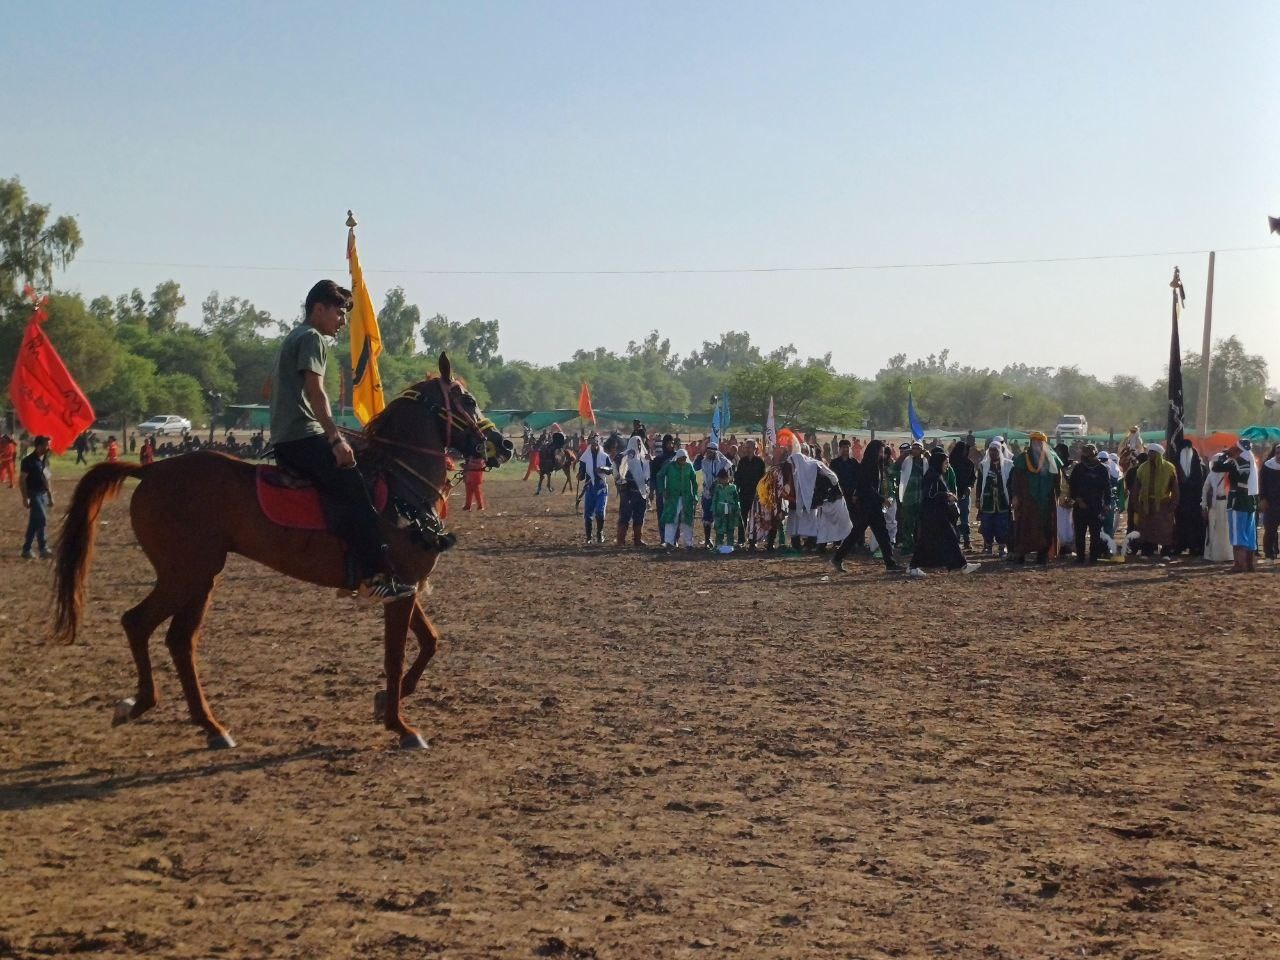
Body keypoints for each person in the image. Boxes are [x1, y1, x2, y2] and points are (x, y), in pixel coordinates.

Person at [270, 279, 415, 602]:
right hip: (302, 437)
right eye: (338, 312)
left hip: (289, 436)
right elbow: (315, 391)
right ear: (318, 309)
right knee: (358, 493)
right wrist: (335, 440)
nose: (343, 321)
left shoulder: (294, 336)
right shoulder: (312, 338)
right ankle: (372, 577)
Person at [908, 449, 980, 578]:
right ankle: (962, 566)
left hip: (937, 514)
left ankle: (913, 567)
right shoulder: (932, 476)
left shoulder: (936, 475)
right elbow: (929, 495)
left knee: (927, 541)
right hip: (933, 515)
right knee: (950, 537)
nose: (947, 466)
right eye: (945, 463)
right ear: (938, 463)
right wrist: (946, 495)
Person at [831, 438, 898, 573]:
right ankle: (837, 558)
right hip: (867, 506)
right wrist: (881, 500)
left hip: (873, 506)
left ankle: (890, 563)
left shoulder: (877, 466)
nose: (882, 454)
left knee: (881, 534)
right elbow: (867, 487)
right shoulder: (868, 466)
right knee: (857, 534)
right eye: (880, 451)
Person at [1008, 431, 1060, 564]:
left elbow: (1058, 480)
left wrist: (1058, 495)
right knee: (1024, 526)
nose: (1037, 444)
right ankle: (1020, 555)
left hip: (1046, 500)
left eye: (1039, 442)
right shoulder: (1023, 458)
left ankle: (1042, 555)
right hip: (1027, 499)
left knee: (1045, 527)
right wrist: (1015, 496)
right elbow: (1015, 479)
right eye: (1034, 441)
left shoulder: (1052, 457)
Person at [1211, 439, 1258, 573]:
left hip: (1237, 500)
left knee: (1237, 533)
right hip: (1250, 499)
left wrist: (1225, 456)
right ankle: (1250, 565)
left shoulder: (1236, 462)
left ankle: (1239, 565)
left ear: (1238, 450)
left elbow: (1215, 467)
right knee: (1249, 534)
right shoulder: (1251, 462)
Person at [1131, 443, 1178, 557]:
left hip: (1163, 504)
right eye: (1149, 452)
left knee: (1165, 529)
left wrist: (1173, 504)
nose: (1149, 454)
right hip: (1147, 504)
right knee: (1146, 528)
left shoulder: (1169, 468)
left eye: (1152, 452)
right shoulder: (1142, 468)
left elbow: (1175, 488)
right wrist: (1136, 504)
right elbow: (1136, 488)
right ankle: (1147, 551)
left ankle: (1165, 552)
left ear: (1158, 455)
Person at [1068, 444, 1111, 564]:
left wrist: (1107, 504)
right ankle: (1080, 557)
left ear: (1094, 455)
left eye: (1088, 455)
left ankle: (1093, 558)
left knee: (1095, 534)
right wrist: (1078, 500)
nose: (1085, 457)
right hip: (1080, 506)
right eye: (1084, 454)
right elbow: (1072, 486)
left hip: (1096, 505)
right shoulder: (1078, 468)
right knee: (1080, 533)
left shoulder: (1102, 469)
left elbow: (1107, 489)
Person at [975, 439, 1013, 557]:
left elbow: (1011, 484)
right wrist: (977, 499)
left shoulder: (1008, 465)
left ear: (999, 451)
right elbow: (980, 483)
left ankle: (1002, 547)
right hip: (988, 500)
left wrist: (1012, 497)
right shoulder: (983, 465)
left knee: (1002, 525)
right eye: (990, 450)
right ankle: (988, 546)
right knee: (987, 524)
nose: (992, 453)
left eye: (995, 451)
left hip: (1003, 500)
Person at [19, 435, 54, 560]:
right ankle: (42, 548)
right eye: (47, 445)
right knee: (42, 519)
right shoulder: (28, 461)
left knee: (36, 522)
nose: (49, 447)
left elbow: (47, 478)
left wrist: (50, 496)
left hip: (43, 495)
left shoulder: (45, 460)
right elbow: (22, 480)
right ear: (39, 446)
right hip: (33, 494)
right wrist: (25, 497)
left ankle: (27, 549)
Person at [1171, 437, 1207, 556]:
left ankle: (1195, 547)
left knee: (1195, 523)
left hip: (1195, 500)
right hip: (1182, 500)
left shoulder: (1198, 464)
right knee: (1182, 523)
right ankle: (1181, 545)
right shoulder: (1177, 462)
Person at [694, 440, 733, 549]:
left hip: (721, 494)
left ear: (715, 452)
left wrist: (717, 483)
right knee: (707, 517)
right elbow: (696, 467)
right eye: (707, 452)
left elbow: (728, 475)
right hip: (707, 494)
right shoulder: (703, 461)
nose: (709, 454)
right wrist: (701, 454)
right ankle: (707, 540)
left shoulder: (724, 462)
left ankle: (720, 541)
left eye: (711, 452)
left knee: (721, 516)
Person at [577, 434, 612, 545]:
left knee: (600, 512)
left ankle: (600, 533)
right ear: (590, 444)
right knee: (588, 514)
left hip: (601, 487)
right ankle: (588, 536)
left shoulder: (604, 456)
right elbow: (582, 474)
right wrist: (580, 475)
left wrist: (603, 468)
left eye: (596, 443)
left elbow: (610, 470)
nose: (594, 446)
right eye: (592, 443)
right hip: (590, 487)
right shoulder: (584, 457)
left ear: (598, 443)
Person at [659, 448, 698, 549]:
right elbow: (660, 475)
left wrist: (695, 495)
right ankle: (669, 542)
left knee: (687, 520)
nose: (683, 461)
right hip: (672, 497)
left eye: (684, 458)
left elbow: (694, 481)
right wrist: (663, 490)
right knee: (671, 519)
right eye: (681, 458)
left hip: (686, 498)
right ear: (677, 458)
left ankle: (688, 543)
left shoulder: (689, 467)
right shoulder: (669, 466)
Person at [616, 435, 650, 546]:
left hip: (641, 492)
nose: (639, 446)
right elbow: (619, 470)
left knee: (639, 515)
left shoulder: (643, 458)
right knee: (625, 516)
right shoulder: (626, 457)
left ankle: (637, 539)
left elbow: (647, 475)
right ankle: (621, 540)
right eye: (637, 443)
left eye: (640, 443)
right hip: (629, 492)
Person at [733, 440, 767, 549]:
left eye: (749, 447)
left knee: (755, 518)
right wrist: (736, 490)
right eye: (746, 447)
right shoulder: (742, 461)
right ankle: (741, 540)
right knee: (742, 517)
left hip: (755, 495)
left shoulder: (759, 462)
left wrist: (760, 493)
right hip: (743, 493)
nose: (747, 449)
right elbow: (738, 477)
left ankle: (753, 541)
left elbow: (763, 479)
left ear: (754, 448)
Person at [1201, 450, 1233, 562]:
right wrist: (1203, 505)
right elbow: (1205, 490)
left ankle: (1227, 555)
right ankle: (1211, 555)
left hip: (1226, 505)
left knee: (1226, 529)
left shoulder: (1229, 474)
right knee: (1212, 530)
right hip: (1214, 505)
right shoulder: (1211, 474)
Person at [895, 442, 926, 554]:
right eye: (913, 448)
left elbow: (935, 470)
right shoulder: (906, 461)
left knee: (921, 524)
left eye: (918, 448)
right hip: (908, 498)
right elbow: (895, 469)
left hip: (922, 499)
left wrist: (928, 456)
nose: (915, 450)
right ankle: (908, 546)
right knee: (907, 524)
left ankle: (920, 546)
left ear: (922, 450)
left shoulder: (925, 462)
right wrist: (903, 455)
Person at [949, 440, 976, 550]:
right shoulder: (950, 463)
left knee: (965, 519)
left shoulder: (969, 463)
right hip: (952, 495)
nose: (966, 451)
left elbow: (972, 478)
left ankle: (966, 540)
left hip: (964, 495)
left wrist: (969, 487)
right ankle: (954, 541)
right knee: (952, 519)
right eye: (964, 449)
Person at [711, 470, 740, 549]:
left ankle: (729, 546)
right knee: (719, 528)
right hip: (720, 510)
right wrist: (714, 510)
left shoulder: (733, 487)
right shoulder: (718, 488)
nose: (723, 480)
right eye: (721, 479)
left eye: (725, 478)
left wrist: (737, 509)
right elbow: (714, 499)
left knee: (730, 528)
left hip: (730, 510)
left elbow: (736, 499)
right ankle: (719, 546)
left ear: (728, 478)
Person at [1261, 444, 1280, 560]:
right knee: (1270, 529)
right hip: (1271, 502)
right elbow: (1261, 483)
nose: (1279, 455)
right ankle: (1269, 553)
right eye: (1278, 453)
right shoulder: (1268, 465)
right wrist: (1262, 499)